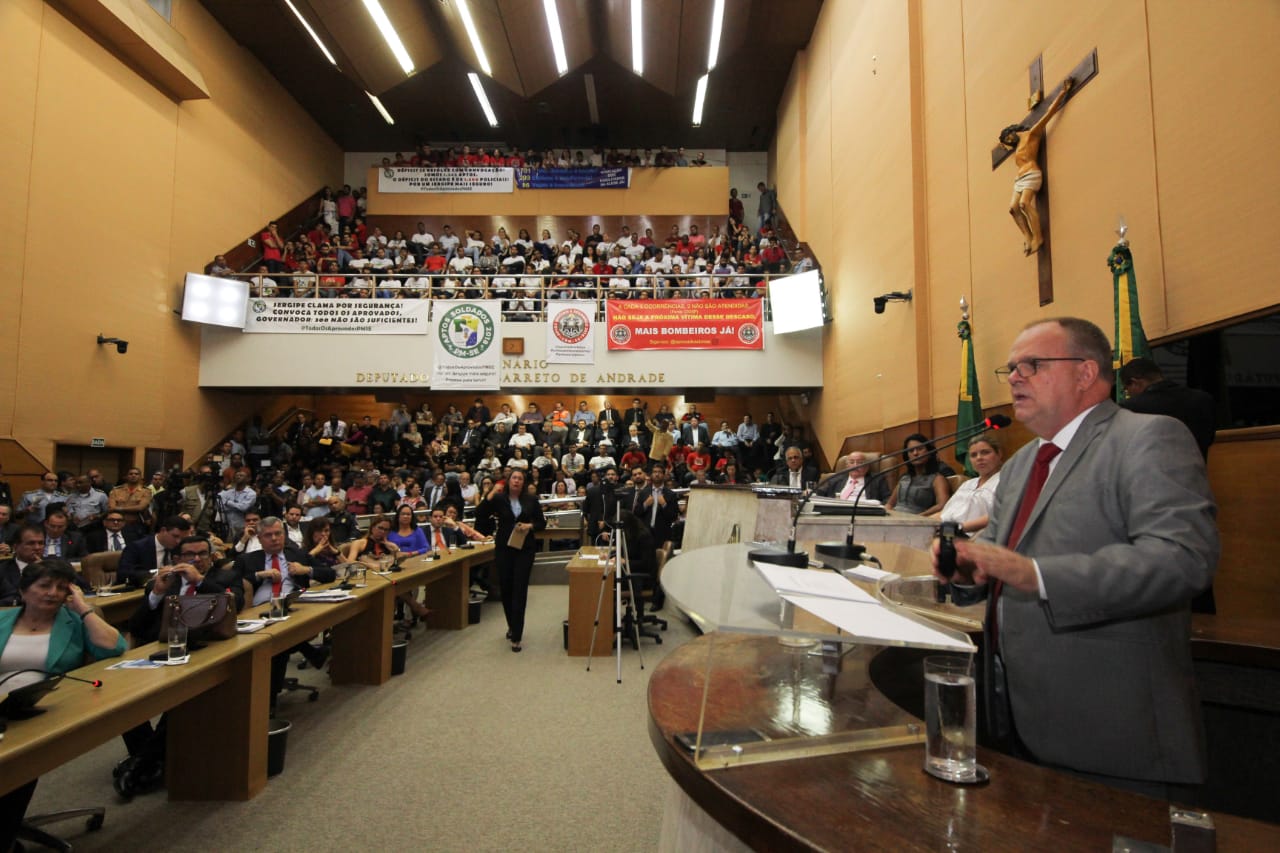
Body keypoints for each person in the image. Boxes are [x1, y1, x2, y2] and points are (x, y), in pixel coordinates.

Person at [938, 317, 1218, 794]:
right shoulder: (1023, 462)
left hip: (1113, 727)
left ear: (1086, 373)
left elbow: (1182, 558)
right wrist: (968, 566)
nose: (1015, 377)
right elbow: (1000, 554)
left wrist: (1038, 575)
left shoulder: (1148, 437)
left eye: (1032, 365)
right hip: (1017, 715)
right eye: (1011, 368)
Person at [0, 560, 125, 848]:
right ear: (23, 590)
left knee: (17, 760)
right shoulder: (3, 621)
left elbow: (114, 647)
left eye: (61, 587)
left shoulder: (73, 623)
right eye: (44, 586)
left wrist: (83, 608)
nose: (52, 593)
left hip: (40, 710)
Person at [117, 536, 242, 798]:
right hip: (160, 651)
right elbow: (137, 626)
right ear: (176, 559)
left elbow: (236, 603)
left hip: (204, 651)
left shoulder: (224, 578)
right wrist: (156, 594)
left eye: (202, 554)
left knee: (182, 697)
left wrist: (200, 581)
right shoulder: (165, 583)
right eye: (189, 555)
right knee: (121, 699)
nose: (196, 559)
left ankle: (141, 764)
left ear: (211, 556)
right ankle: (150, 759)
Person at [999, 77, 1074, 255]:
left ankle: (1038, 237)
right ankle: (1028, 235)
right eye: (1007, 142)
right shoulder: (1017, 147)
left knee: (1024, 204)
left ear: (1013, 131)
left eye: (1008, 138)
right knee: (1013, 209)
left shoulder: (1031, 134)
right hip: (1019, 179)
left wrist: (1063, 93)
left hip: (1032, 173)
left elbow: (1048, 114)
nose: (1009, 141)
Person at [473, 471, 545, 652]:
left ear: (523, 483)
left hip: (525, 549)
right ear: (508, 481)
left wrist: (529, 526)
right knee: (506, 589)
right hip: (504, 548)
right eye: (514, 478)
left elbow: (541, 523)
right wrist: (490, 494)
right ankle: (512, 625)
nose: (517, 481)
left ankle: (517, 636)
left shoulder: (531, 500)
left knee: (519, 589)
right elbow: (480, 514)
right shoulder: (499, 499)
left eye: (520, 478)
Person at [931, 436, 1002, 533]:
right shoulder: (967, 484)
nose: (979, 458)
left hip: (972, 535)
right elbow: (944, 513)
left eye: (985, 452)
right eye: (973, 455)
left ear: (999, 454)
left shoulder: (1005, 481)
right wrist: (920, 523)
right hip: (946, 531)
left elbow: (1001, 515)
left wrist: (956, 529)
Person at [118, 516, 193, 588]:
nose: (178, 541)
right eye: (175, 536)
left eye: (182, 538)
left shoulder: (180, 548)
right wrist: (157, 573)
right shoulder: (137, 547)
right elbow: (124, 574)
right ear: (163, 530)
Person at [885, 434, 951, 515]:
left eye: (920, 449)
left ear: (929, 452)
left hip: (918, 519)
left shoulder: (937, 479)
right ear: (907, 456)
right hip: (894, 518)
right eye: (911, 451)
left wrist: (919, 517)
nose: (915, 453)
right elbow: (890, 504)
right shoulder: (904, 478)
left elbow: (942, 505)